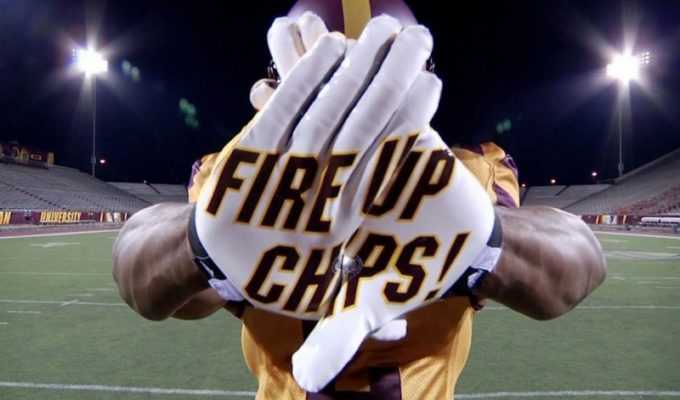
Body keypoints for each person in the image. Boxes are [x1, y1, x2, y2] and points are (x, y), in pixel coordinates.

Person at [112, 1, 607, 399]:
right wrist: (199, 243)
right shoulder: (238, 180)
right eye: (335, 83)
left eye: (371, 81)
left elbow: (579, 263)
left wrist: (488, 241)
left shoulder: (463, 176)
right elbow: (144, 275)